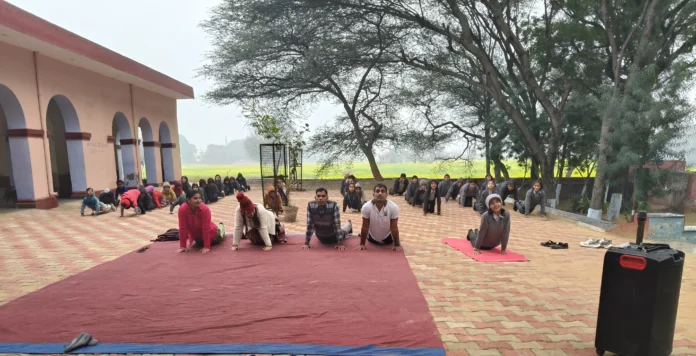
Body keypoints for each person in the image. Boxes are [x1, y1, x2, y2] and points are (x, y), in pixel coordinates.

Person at [357, 184, 402, 251]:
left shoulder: (394, 207)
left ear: (386, 194)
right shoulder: (366, 207)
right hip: (372, 238)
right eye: (377, 191)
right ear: (373, 194)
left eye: (382, 191)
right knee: (366, 233)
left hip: (388, 239)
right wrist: (362, 244)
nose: (380, 193)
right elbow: (365, 227)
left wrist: (397, 245)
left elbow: (394, 227)